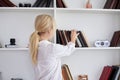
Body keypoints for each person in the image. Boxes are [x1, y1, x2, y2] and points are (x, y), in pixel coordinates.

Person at [29, 14, 78, 80]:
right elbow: (69, 50)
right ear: (49, 30)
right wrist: (73, 40)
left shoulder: (33, 47)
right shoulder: (52, 48)